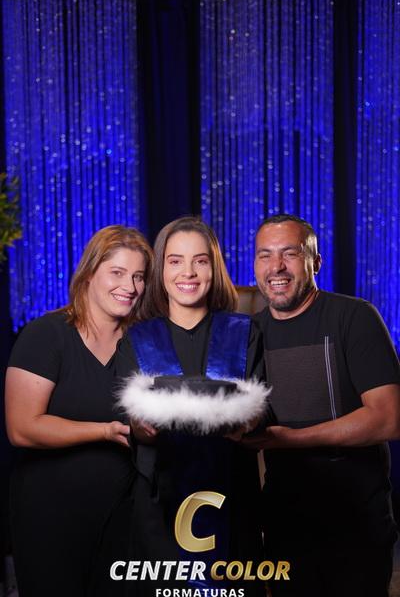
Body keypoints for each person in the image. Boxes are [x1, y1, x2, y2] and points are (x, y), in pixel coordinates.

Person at [245, 213, 400, 597]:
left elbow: (388, 418)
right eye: (265, 255)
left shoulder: (354, 317)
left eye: (290, 254)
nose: (276, 267)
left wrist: (289, 439)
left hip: (356, 527)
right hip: (285, 526)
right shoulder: (249, 334)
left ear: (315, 262)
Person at [112, 216, 267, 597]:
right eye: (175, 261)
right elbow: (129, 421)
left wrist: (246, 423)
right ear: (161, 269)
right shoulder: (136, 339)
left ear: (214, 267)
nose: (188, 272)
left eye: (200, 260)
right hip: (160, 503)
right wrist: (141, 427)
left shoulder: (244, 332)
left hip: (232, 497)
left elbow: (260, 409)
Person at [5, 225, 153, 597]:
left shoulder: (142, 344)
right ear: (89, 273)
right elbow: (21, 428)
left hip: (122, 517)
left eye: (138, 276)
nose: (130, 286)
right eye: (117, 272)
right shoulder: (46, 335)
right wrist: (104, 431)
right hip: (50, 518)